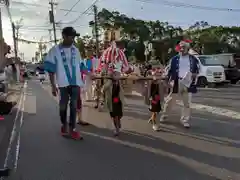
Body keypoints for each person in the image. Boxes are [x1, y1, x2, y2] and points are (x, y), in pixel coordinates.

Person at [44, 26, 86, 140]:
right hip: (62, 84)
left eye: (74, 37)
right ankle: (64, 125)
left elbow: (81, 65)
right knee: (63, 106)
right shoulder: (54, 51)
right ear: (64, 36)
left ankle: (73, 129)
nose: (73, 39)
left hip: (75, 83)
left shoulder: (76, 50)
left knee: (73, 106)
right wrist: (53, 86)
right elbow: (50, 69)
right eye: (71, 36)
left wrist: (90, 74)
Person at [160, 40, 199, 128]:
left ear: (187, 48)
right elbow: (168, 71)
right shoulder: (174, 59)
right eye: (180, 47)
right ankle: (164, 115)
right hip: (177, 82)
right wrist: (168, 81)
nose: (182, 49)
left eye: (184, 47)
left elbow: (197, 71)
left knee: (187, 103)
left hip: (188, 83)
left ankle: (184, 120)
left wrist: (193, 75)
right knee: (169, 100)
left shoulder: (193, 59)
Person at [102, 64, 125, 136]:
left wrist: (117, 79)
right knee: (114, 115)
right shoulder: (106, 78)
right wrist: (110, 81)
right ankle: (116, 128)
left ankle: (118, 122)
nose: (112, 70)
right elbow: (103, 89)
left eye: (113, 68)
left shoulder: (118, 76)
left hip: (118, 99)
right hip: (110, 100)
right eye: (110, 68)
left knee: (119, 115)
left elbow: (122, 86)